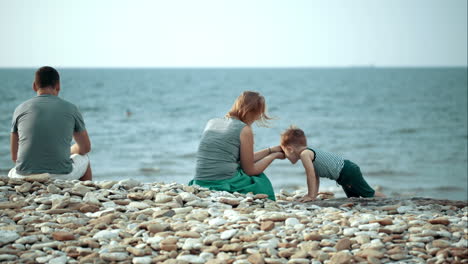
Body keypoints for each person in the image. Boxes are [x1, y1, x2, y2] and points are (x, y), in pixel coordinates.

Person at [189, 91, 284, 200]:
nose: (258, 118)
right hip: (221, 183)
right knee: (260, 179)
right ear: (250, 111)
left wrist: (271, 150)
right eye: (258, 114)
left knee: (242, 167)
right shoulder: (244, 129)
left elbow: (241, 159)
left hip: (200, 181)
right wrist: (274, 156)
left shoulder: (212, 122)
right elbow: (250, 170)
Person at [8, 66, 92, 181]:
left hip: (23, 176)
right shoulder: (71, 108)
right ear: (58, 86)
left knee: (12, 172)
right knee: (85, 159)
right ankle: (85, 195)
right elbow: (85, 148)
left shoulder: (19, 109)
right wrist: (70, 151)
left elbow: (14, 157)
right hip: (60, 175)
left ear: (34, 86)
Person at [280, 126, 384, 202]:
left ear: (290, 149)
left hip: (347, 172)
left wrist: (310, 196)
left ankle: (388, 199)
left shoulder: (305, 154)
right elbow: (315, 177)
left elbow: (310, 175)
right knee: (354, 199)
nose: (284, 156)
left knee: (368, 194)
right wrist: (313, 195)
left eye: (284, 152)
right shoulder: (308, 152)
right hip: (344, 174)